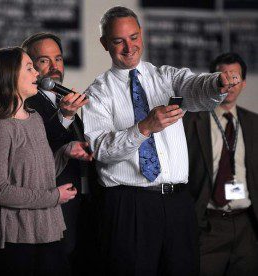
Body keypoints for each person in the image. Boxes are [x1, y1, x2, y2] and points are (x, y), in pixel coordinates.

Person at [82, 6, 241, 276]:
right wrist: (144, 127)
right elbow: (101, 149)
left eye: (133, 37)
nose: (128, 47)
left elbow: (195, 87)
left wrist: (216, 84)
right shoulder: (97, 93)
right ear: (104, 44)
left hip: (177, 204)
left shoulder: (166, 77)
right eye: (118, 41)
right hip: (129, 205)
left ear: (141, 35)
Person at [0, 47, 92, 276]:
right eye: (30, 68)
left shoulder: (34, 119)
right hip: (12, 237)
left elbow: (39, 175)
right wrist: (54, 196)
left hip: (44, 229)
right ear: (9, 75)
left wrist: (65, 151)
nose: (38, 74)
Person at [21, 33, 98, 274]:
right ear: (30, 66)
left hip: (80, 201)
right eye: (45, 60)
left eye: (59, 59)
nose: (55, 67)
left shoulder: (65, 98)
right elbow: (36, 151)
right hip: (50, 203)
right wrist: (64, 116)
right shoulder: (27, 104)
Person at [183, 52, 258, 276]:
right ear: (212, 79)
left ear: (243, 83)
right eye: (222, 76)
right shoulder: (191, 121)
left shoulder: (254, 123)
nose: (229, 83)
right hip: (207, 225)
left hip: (247, 226)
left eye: (234, 77)